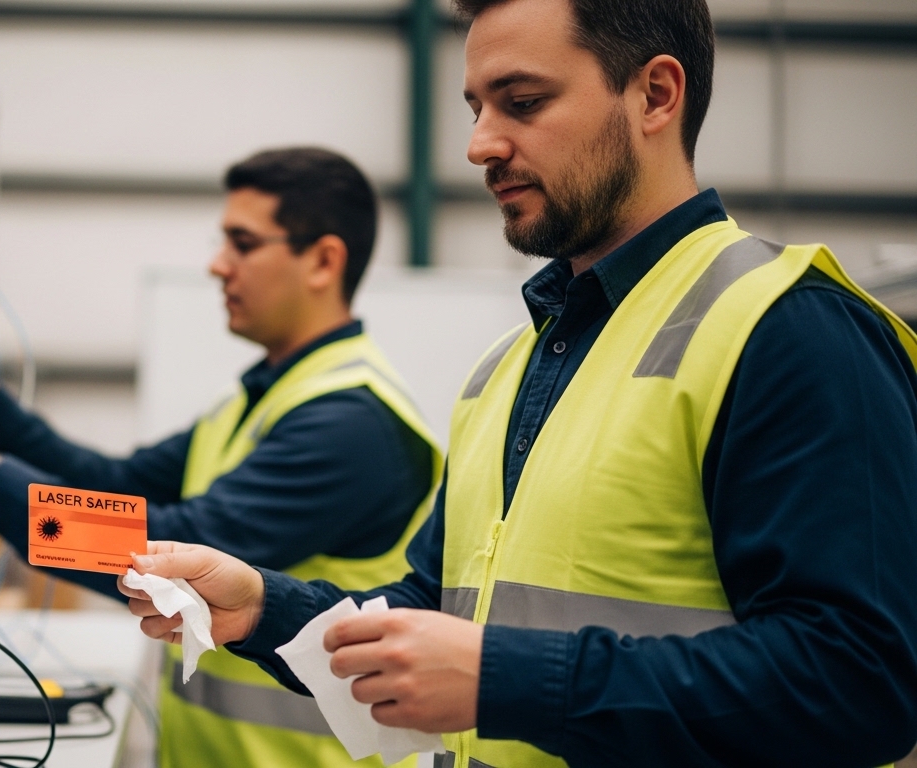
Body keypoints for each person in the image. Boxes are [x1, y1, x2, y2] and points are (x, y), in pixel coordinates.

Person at [120, 1, 917, 766]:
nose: (480, 145)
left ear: (656, 94)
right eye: (475, 108)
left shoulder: (791, 331)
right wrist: (262, 609)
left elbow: (862, 682)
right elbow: (433, 615)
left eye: (523, 102)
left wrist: (504, 679)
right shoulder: (509, 367)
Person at [0, 147, 443, 767]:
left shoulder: (349, 426)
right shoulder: (266, 401)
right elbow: (112, 483)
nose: (218, 266)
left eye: (243, 244)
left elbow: (170, 549)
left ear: (323, 261)